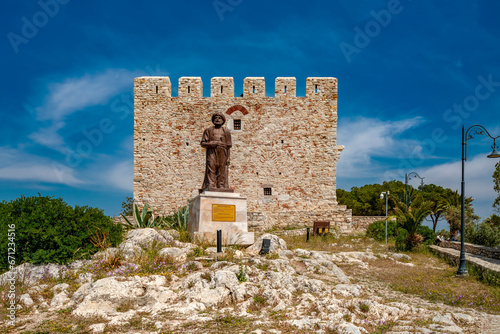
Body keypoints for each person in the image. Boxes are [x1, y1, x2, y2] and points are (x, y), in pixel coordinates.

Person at [200, 112, 232, 190]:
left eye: (219, 118)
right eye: (215, 118)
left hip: (223, 151)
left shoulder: (226, 131)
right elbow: (203, 143)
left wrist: (228, 158)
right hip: (212, 151)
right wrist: (211, 143)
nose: (217, 119)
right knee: (211, 166)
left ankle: (221, 184)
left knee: (222, 168)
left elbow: (228, 146)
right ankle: (211, 184)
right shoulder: (208, 130)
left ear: (223, 120)